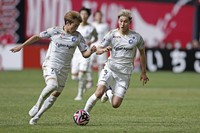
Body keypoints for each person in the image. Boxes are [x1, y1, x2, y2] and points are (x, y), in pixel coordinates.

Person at [10, 10, 96, 125]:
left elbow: (85, 54)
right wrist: (21, 46)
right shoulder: (54, 31)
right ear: (67, 23)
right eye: (75, 25)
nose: (76, 28)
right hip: (51, 65)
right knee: (52, 85)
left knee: (55, 95)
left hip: (64, 71)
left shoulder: (78, 36)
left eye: (78, 26)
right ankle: (37, 105)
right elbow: (37, 37)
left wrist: (91, 51)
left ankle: (37, 117)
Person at [83, 9, 149, 115]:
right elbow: (98, 49)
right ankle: (84, 113)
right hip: (110, 68)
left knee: (115, 104)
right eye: (120, 21)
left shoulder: (136, 37)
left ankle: (108, 91)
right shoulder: (112, 34)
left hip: (124, 74)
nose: (122, 24)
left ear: (130, 22)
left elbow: (142, 53)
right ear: (118, 21)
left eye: (125, 21)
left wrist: (144, 72)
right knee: (99, 92)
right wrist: (103, 50)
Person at [71, 7, 98, 101]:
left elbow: (96, 37)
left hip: (86, 53)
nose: (83, 15)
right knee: (74, 77)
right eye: (82, 13)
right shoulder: (75, 26)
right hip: (75, 54)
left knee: (81, 74)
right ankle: (87, 81)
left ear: (88, 16)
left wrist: (90, 42)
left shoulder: (91, 28)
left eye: (85, 14)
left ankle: (79, 95)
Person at [90, 10, 109, 76]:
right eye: (97, 15)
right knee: (90, 63)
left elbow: (107, 37)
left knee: (101, 65)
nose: (99, 17)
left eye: (100, 15)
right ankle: (89, 79)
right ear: (94, 17)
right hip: (92, 46)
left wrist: (105, 46)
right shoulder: (91, 25)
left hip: (101, 47)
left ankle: (100, 81)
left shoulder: (105, 25)